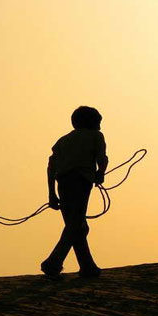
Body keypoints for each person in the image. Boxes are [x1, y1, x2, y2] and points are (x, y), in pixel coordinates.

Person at [41, 106, 108, 278]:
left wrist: (51, 194)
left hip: (62, 183)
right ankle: (53, 261)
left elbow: (51, 167)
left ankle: (88, 266)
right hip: (81, 181)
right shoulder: (96, 136)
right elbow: (102, 157)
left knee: (78, 225)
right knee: (76, 225)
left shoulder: (62, 141)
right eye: (98, 122)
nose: (100, 126)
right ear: (92, 123)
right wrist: (100, 173)